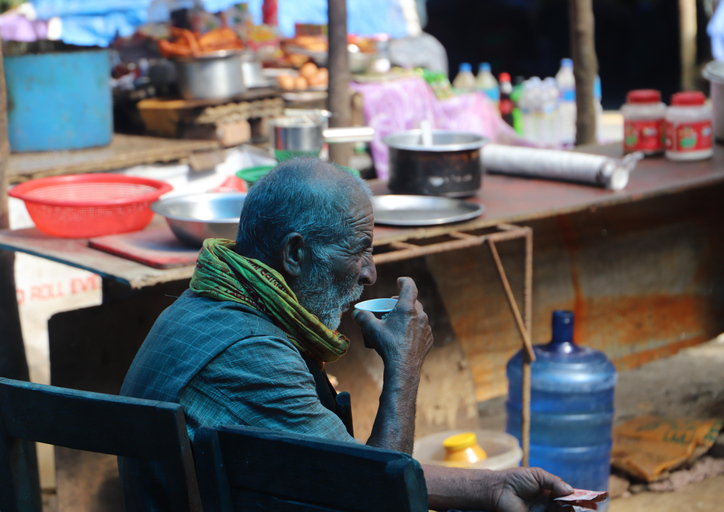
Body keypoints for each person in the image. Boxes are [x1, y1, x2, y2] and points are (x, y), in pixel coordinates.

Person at [119, 158, 574, 512]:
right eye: (359, 251)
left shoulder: (206, 306)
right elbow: (375, 494)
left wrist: (492, 487)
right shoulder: (253, 354)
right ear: (296, 254)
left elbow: (343, 460)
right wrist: (404, 368)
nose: (371, 274)